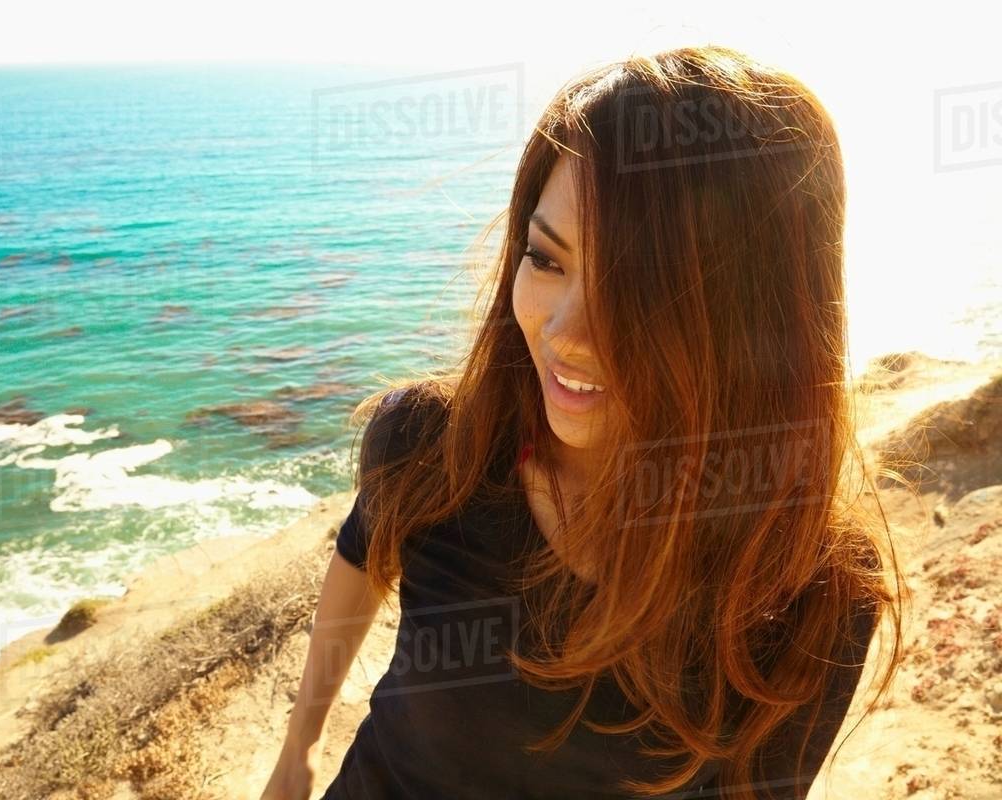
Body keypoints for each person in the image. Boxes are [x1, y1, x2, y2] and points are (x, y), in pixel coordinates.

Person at [261, 44, 906, 800]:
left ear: (751, 318)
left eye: (637, 289)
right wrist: (298, 749)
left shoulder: (808, 595)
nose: (565, 331)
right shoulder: (432, 444)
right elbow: (361, 557)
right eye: (547, 258)